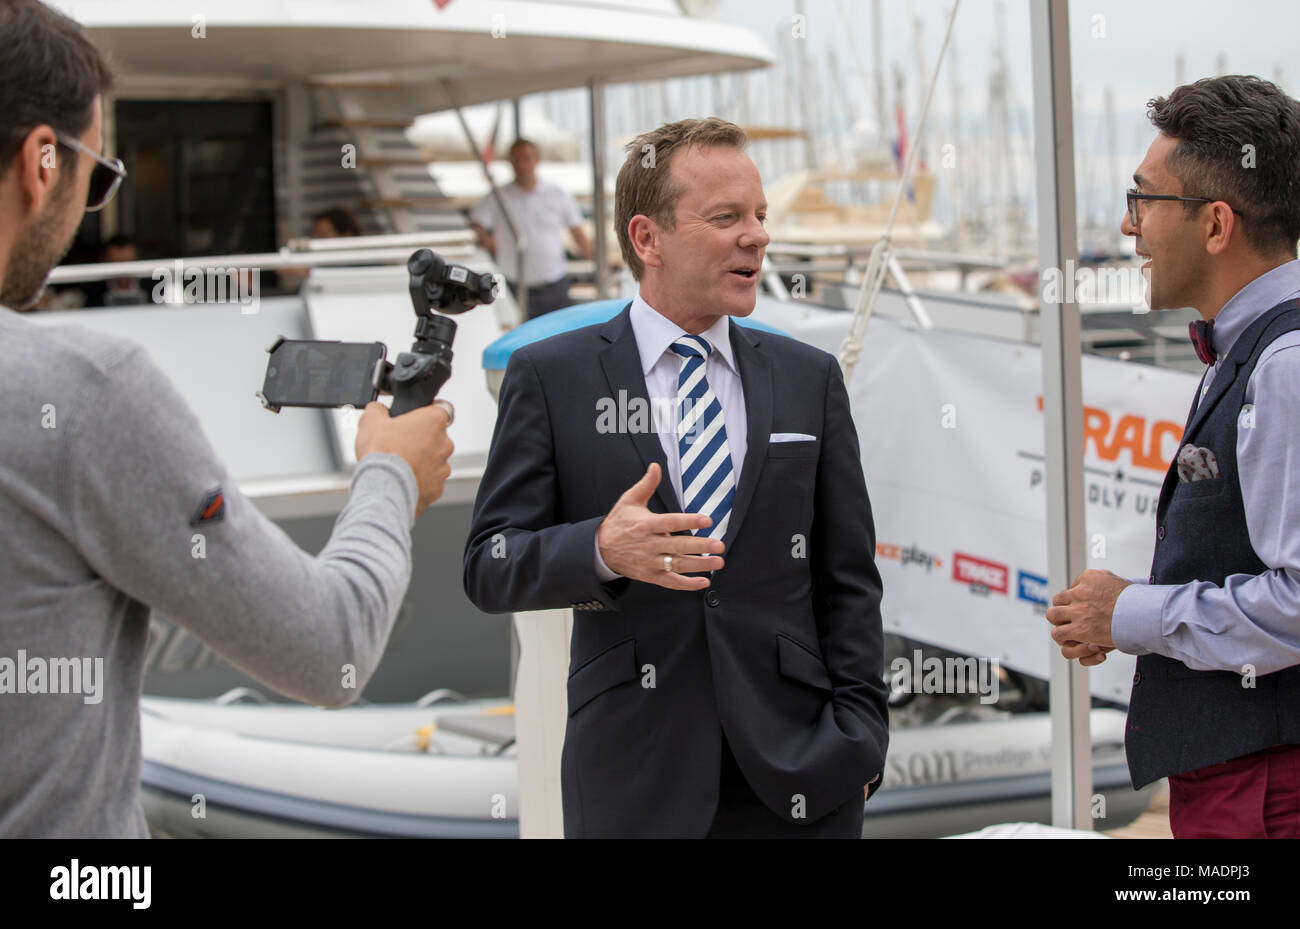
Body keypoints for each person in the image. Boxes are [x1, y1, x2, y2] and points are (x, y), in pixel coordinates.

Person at [0, 0, 454, 837]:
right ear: (41, 164)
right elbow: (330, 646)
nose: (85, 214)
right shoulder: (90, 395)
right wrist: (391, 472)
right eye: (98, 179)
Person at [463, 117, 888, 838]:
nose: (755, 235)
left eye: (758, 215)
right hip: (633, 779)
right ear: (646, 239)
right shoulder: (552, 376)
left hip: (803, 776)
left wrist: (862, 736)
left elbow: (847, 578)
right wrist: (601, 547)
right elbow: (489, 563)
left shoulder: (808, 379)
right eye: (725, 217)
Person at [1046, 75, 1300, 839]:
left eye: (1143, 200)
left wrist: (1130, 611)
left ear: (1216, 223)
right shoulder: (1253, 351)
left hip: (1263, 786)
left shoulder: (1281, 363)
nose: (1129, 227)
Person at [469, 138, 592, 320]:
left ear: (536, 160)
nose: (521, 164)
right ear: (510, 163)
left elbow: (577, 232)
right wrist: (489, 242)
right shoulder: (498, 197)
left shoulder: (557, 193)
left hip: (554, 284)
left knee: (557, 338)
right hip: (512, 285)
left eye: (526, 158)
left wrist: (597, 260)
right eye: (516, 159)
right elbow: (476, 223)